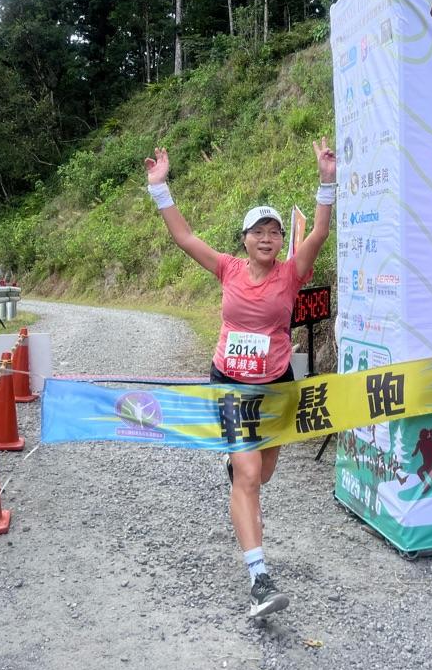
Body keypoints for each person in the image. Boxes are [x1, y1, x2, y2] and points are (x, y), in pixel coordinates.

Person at [144, 138, 336, 618]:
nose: (267, 238)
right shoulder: (227, 269)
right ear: (245, 239)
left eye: (274, 231)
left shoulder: (291, 273)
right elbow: (185, 238)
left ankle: (238, 472)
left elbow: (318, 234)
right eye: (258, 231)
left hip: (275, 387)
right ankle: (259, 579)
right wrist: (159, 188)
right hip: (229, 383)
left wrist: (326, 182)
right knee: (248, 475)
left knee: (261, 474)